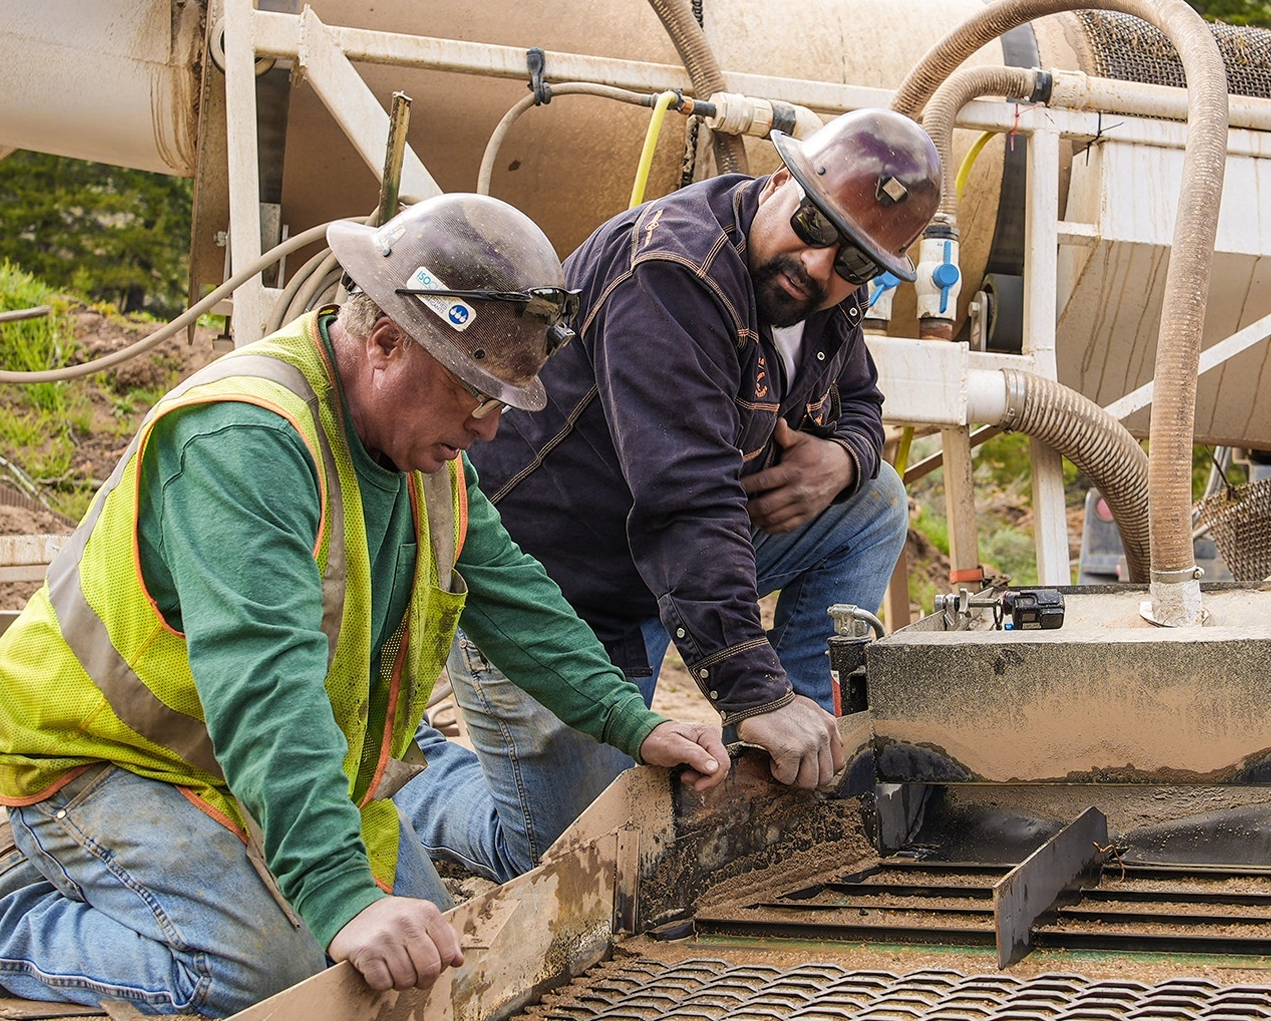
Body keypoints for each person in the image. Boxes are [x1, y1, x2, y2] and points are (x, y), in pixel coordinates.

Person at [0, 193, 730, 1017]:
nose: (489, 428)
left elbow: (519, 602)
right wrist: (343, 898)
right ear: (387, 340)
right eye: (474, 390)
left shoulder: (424, 455)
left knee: (431, 968)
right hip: (105, 758)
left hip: (249, 771)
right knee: (276, 976)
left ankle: (196, 881)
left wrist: (630, 722)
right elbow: (263, 681)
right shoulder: (248, 439)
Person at [395, 108, 940, 883]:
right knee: (578, 859)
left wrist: (842, 461)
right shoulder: (672, 272)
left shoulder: (826, 293)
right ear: (780, 181)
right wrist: (751, 688)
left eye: (854, 261)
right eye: (815, 227)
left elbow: (861, 406)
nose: (821, 267)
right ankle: (415, 779)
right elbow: (687, 497)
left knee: (873, 499)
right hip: (553, 587)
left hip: (655, 575)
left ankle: (789, 760)